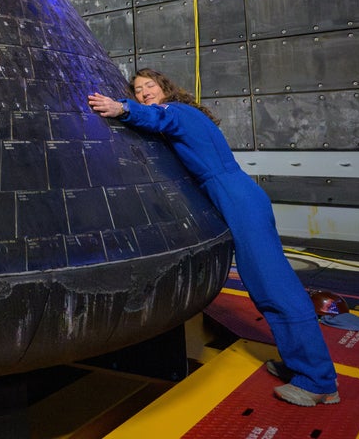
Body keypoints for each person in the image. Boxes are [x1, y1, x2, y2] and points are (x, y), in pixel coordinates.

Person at [88, 69, 340, 407]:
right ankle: (300, 365)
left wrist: (122, 108)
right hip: (234, 194)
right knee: (266, 285)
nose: (144, 92)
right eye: (137, 90)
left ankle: (318, 381)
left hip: (234, 197)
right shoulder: (187, 113)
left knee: (273, 286)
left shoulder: (176, 111)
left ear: (165, 88)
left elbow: (159, 118)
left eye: (150, 86)